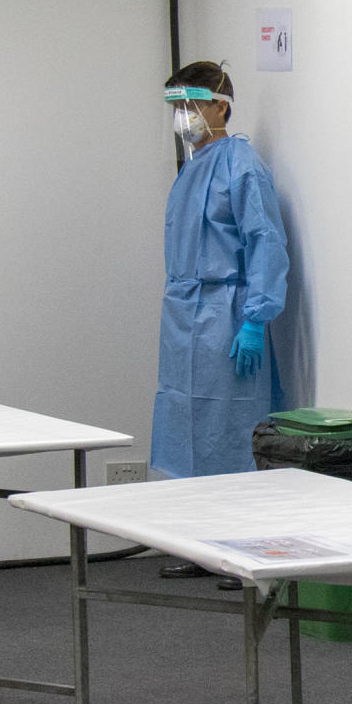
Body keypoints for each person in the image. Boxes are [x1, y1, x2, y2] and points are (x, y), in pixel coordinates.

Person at [152, 61, 289, 587]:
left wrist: (256, 318)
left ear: (220, 106)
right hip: (185, 314)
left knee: (232, 432)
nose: (181, 118)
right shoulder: (194, 166)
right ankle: (204, 546)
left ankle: (246, 550)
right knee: (190, 431)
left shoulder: (242, 165)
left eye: (188, 106)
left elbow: (266, 243)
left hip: (227, 315)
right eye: (174, 108)